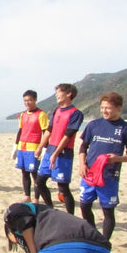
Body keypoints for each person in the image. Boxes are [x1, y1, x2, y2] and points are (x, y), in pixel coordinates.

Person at [79, 92, 127, 240]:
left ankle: (105, 241)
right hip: (89, 174)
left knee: (108, 211)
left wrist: (117, 159)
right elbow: (83, 147)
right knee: (84, 205)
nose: (104, 111)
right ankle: (92, 233)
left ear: (118, 108)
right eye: (102, 107)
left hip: (110, 176)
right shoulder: (93, 125)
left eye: (109, 108)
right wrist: (82, 163)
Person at [35, 84, 83, 214]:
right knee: (39, 182)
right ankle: (50, 209)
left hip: (63, 153)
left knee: (63, 188)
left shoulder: (76, 113)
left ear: (69, 94)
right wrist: (40, 148)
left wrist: (56, 154)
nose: (56, 95)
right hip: (50, 150)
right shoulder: (57, 111)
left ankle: (70, 217)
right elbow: (49, 131)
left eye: (59, 92)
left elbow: (68, 135)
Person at [14, 90, 49, 203]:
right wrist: (15, 145)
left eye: (29, 100)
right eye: (25, 100)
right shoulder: (23, 114)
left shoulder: (41, 114)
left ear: (34, 100)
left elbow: (45, 132)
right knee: (24, 173)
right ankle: (27, 195)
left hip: (34, 148)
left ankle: (36, 198)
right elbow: (20, 130)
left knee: (35, 175)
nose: (27, 102)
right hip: (22, 147)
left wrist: (44, 148)